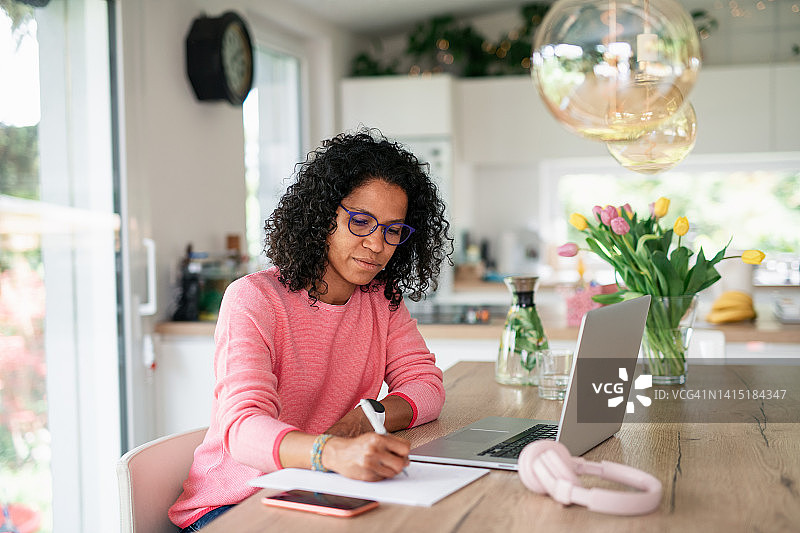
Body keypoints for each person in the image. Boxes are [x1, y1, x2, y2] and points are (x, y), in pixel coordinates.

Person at [169, 128, 453, 531]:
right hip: (232, 506)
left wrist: (366, 417)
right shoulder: (254, 299)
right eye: (361, 222)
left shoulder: (381, 298)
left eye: (392, 230)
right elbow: (243, 428)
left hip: (314, 487)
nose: (377, 244)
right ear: (322, 217)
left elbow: (427, 387)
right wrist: (333, 452)